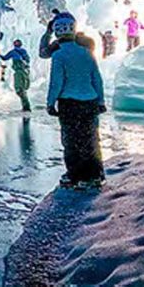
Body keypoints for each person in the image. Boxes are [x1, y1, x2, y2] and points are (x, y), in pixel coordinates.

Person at [46, 16, 107, 187]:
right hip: (90, 101)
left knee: (72, 140)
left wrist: (50, 103)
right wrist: (101, 100)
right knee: (90, 137)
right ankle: (95, 175)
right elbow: (97, 79)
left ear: (57, 33)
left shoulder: (59, 55)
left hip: (70, 103)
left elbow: (57, 82)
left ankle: (76, 175)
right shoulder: (86, 52)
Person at [0, 39, 33, 112]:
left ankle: (26, 107)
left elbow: (4, 58)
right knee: (23, 89)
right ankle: (26, 106)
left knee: (19, 89)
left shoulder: (13, 52)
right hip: (26, 71)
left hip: (18, 72)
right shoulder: (24, 51)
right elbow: (28, 60)